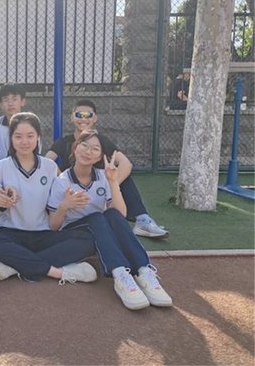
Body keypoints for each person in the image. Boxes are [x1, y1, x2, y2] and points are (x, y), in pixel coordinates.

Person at [47, 129, 173, 310]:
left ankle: (144, 271)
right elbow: (53, 226)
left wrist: (113, 182)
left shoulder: (102, 177)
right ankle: (120, 274)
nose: (88, 151)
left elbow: (120, 214)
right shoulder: (62, 181)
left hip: (99, 230)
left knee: (110, 214)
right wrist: (65, 205)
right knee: (98, 217)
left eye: (95, 149)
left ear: (100, 156)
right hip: (73, 234)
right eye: (84, 145)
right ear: (75, 148)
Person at [0, 112, 97, 285]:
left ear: (38, 137)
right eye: (18, 136)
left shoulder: (50, 167)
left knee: (86, 240)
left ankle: (16, 266)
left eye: (30, 136)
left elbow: (61, 198)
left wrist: (68, 201)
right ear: (11, 138)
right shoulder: (0, 167)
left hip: (44, 234)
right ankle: (58, 272)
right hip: (11, 233)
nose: (24, 141)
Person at [45, 99, 169, 239]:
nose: (83, 119)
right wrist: (62, 180)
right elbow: (46, 162)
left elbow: (126, 164)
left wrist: (110, 185)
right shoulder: (63, 142)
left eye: (88, 115)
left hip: (97, 189)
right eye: (79, 115)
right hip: (71, 193)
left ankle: (142, 219)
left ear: (95, 118)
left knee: (121, 177)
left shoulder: (101, 141)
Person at [0, 83, 38, 160]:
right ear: (1, 104)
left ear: (22, 101)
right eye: (6, 100)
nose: (10, 104)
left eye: (14, 99)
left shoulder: (33, 122)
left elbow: (35, 151)